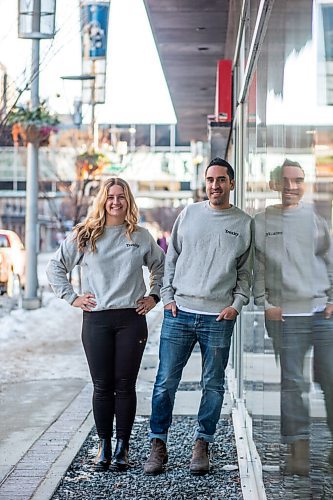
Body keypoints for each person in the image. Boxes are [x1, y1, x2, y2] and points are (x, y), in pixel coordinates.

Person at [46, 177, 165, 471]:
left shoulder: (139, 236)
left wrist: (154, 295)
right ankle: (104, 446)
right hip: (96, 321)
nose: (116, 201)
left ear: (128, 201)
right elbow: (55, 266)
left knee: (125, 385)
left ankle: (123, 447)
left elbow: (161, 265)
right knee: (102, 386)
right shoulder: (86, 236)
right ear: (103, 200)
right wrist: (72, 297)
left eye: (121, 196)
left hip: (131, 320)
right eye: (110, 196)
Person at [144, 157, 252, 475]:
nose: (214, 185)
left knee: (214, 385)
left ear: (231, 183)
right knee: (165, 384)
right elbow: (172, 258)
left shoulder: (244, 223)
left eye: (221, 180)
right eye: (210, 180)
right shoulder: (189, 213)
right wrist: (167, 298)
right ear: (204, 183)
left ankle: (202, 444)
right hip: (180, 313)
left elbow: (246, 273)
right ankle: (157, 444)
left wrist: (237, 304)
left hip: (218, 317)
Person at [253, 159, 333, 475]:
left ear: (304, 184)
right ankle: (298, 451)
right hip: (286, 317)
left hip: (320, 315)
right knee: (293, 384)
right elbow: (255, 267)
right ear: (274, 184)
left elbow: (329, 261)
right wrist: (264, 303)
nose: (291, 187)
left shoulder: (316, 220)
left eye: (297, 180)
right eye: (285, 181)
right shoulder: (261, 222)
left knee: (330, 381)